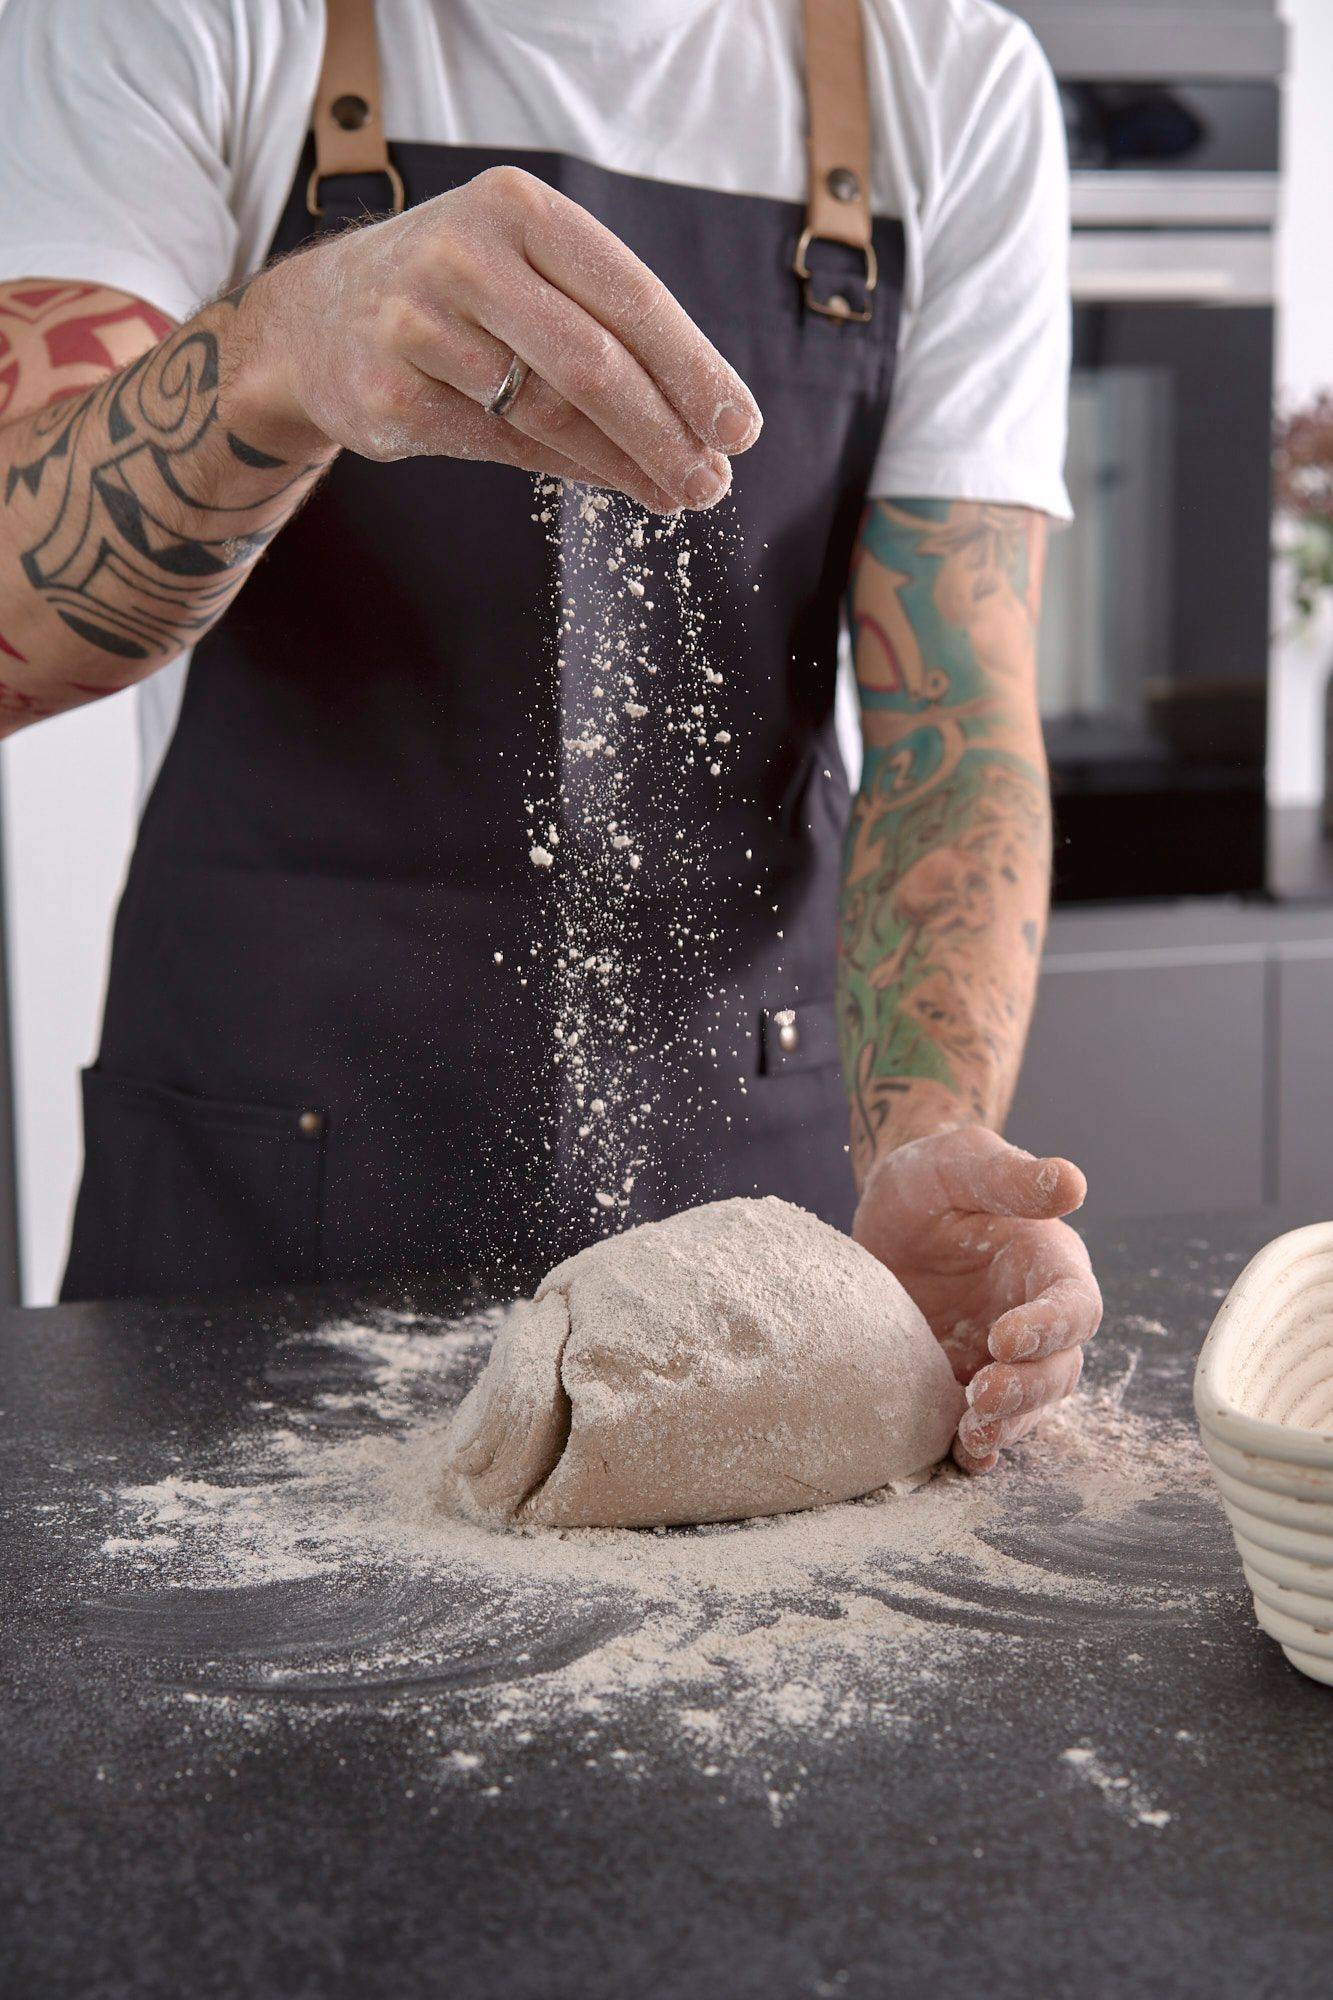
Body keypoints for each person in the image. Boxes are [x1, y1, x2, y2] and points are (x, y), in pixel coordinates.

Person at [0, 0, 1101, 1471]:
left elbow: (952, 723)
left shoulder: (944, 78)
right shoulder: (185, 22)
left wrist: (924, 1147)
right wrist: (283, 352)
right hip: (258, 1171)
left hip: (759, 1210)